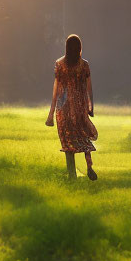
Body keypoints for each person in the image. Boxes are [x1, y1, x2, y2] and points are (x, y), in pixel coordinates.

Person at [45, 33, 98, 180]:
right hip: (79, 107)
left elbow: (56, 90)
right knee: (84, 137)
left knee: (67, 141)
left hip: (63, 108)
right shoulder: (84, 65)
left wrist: (50, 114)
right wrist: (90, 106)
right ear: (80, 48)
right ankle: (89, 167)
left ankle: (72, 175)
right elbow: (89, 88)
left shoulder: (60, 64)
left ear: (67, 48)